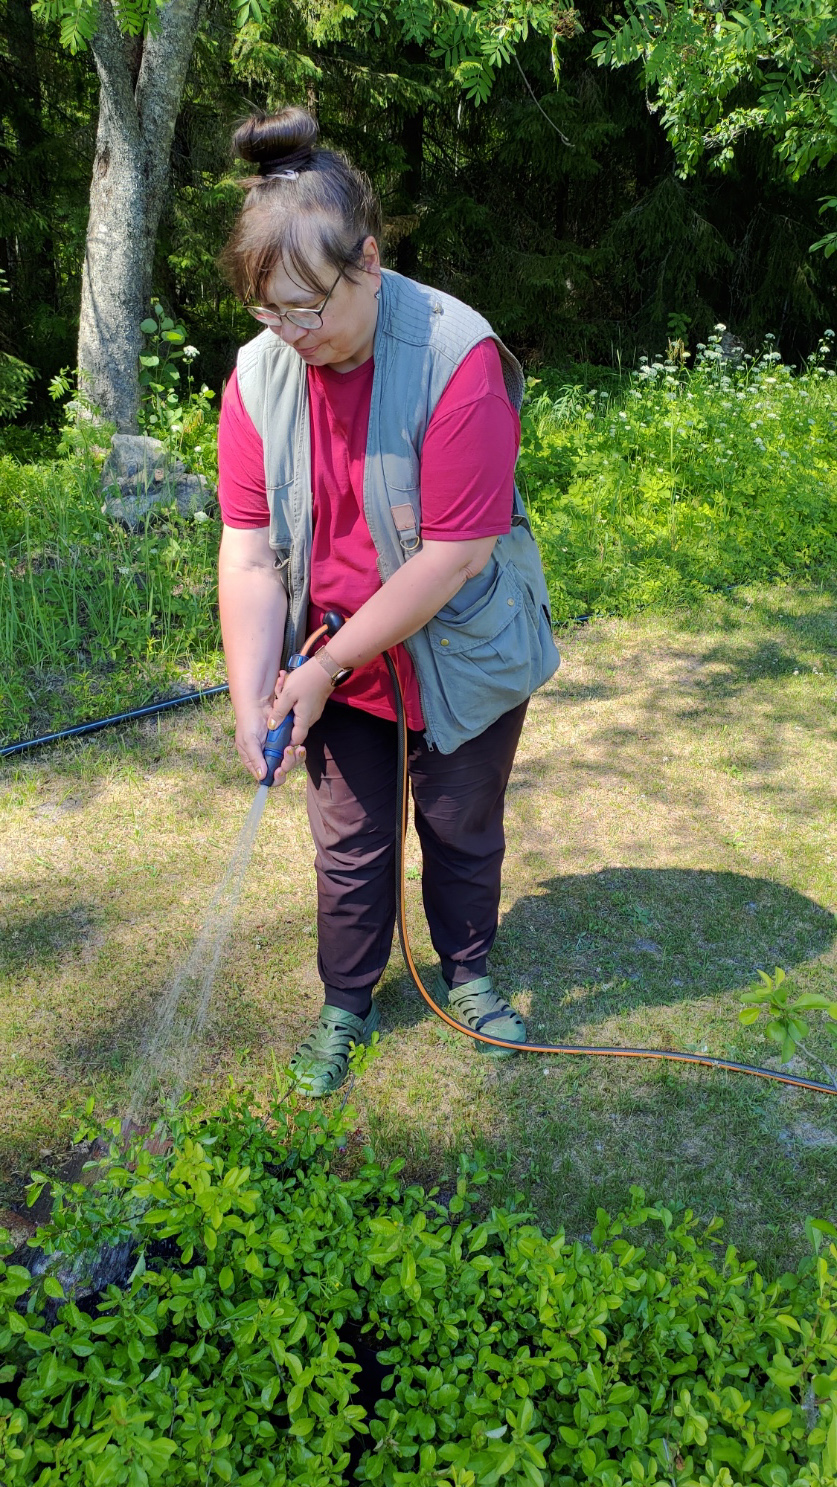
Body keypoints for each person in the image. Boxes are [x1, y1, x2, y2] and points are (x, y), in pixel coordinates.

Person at [217, 105, 559, 1096]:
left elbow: (454, 553)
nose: (290, 335)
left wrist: (317, 667)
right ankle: (346, 1000)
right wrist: (257, 693)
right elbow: (247, 549)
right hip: (337, 660)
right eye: (268, 314)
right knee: (348, 840)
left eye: (308, 310)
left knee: (460, 821)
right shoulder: (259, 373)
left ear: (368, 259)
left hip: (460, 649)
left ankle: (470, 973)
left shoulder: (459, 356)